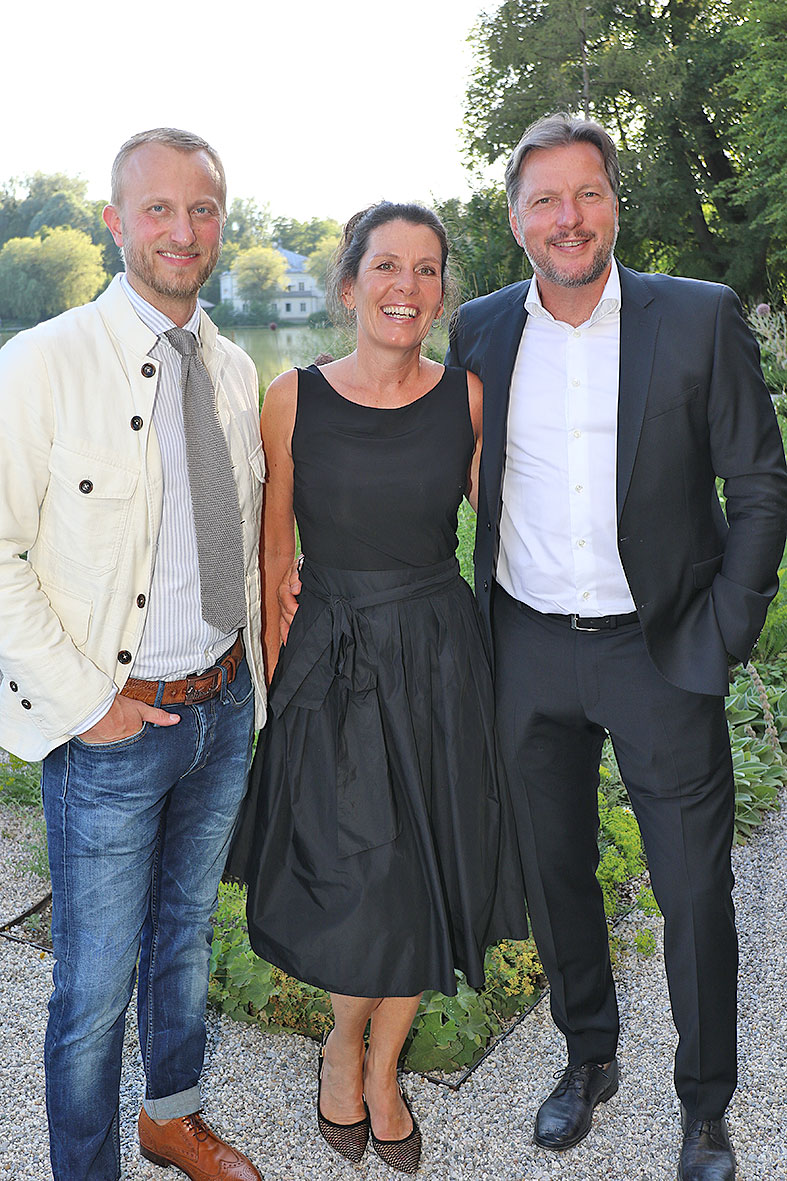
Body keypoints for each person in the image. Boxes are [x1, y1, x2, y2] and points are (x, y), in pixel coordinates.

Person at [444, 113, 787, 1180]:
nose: (568, 217)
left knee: (692, 892)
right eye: (544, 199)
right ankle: (587, 1055)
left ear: (614, 205)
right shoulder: (480, 330)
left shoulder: (696, 316)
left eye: (585, 193)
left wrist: (726, 627)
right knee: (555, 873)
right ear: (515, 220)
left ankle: (705, 1104)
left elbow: (758, 481)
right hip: (527, 645)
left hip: (661, 647)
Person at [230, 201, 528, 1174]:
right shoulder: (292, 397)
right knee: (356, 882)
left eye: (426, 268)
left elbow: (513, 526)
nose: (407, 285)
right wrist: (275, 692)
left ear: (441, 293)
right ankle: (339, 1047)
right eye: (387, 266)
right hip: (331, 665)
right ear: (350, 284)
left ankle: (383, 1068)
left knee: (423, 876)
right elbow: (275, 550)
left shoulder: (468, 398)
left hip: (440, 663)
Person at [0, 128, 266, 1181]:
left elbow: (238, 536)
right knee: (93, 988)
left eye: (201, 209)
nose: (181, 229)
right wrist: (88, 704)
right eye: (158, 208)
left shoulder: (234, 368)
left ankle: (172, 1117)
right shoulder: (43, 364)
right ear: (116, 222)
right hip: (112, 726)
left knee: (186, 939)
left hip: (221, 707)